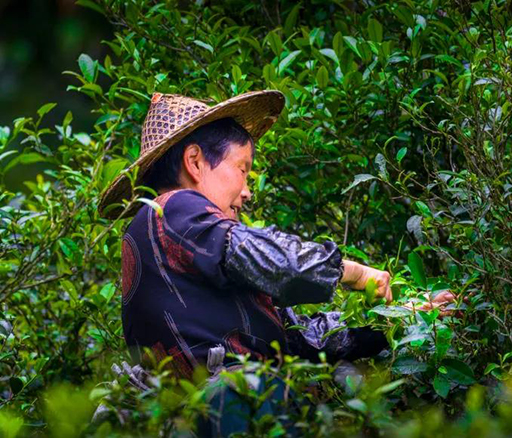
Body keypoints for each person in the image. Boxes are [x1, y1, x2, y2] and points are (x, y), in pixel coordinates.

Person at [98, 91, 456, 435]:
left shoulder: (197, 249)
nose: (247, 190)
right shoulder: (173, 208)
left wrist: (405, 318)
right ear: (194, 162)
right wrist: (357, 273)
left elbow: (302, 338)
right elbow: (285, 264)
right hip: (232, 405)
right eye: (242, 169)